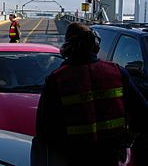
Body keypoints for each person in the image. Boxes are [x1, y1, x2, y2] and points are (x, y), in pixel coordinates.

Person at [34, 22, 148, 166]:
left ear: (68, 47)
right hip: (111, 156)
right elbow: (143, 113)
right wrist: (128, 139)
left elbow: (45, 131)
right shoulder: (117, 72)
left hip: (73, 157)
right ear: (95, 45)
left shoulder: (57, 80)